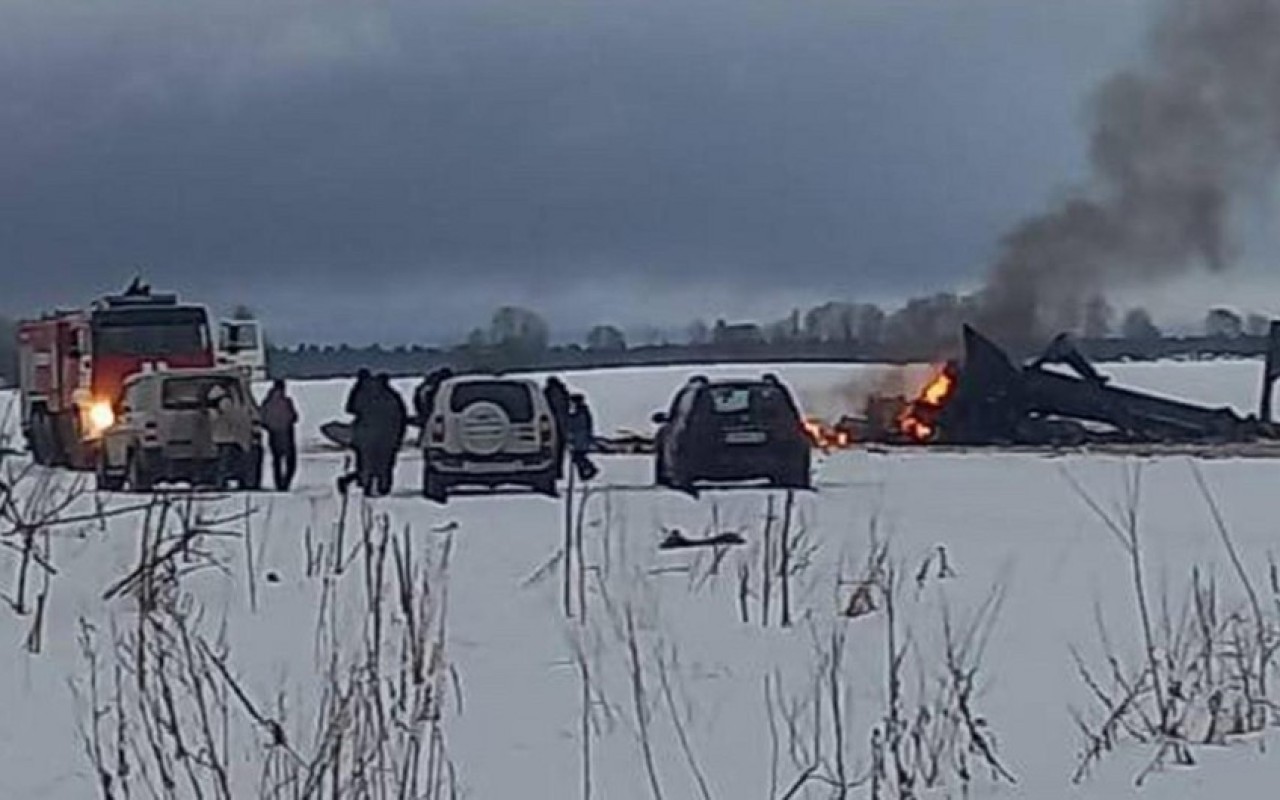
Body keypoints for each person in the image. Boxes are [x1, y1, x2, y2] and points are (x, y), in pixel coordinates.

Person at [363, 374, 408, 497]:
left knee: (372, 464)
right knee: (385, 465)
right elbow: (401, 418)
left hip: (375, 437)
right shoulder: (393, 397)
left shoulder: (370, 398)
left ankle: (371, 486)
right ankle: (383, 487)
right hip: (388, 438)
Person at [337, 368, 375, 495]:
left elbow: (349, 408)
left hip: (361, 427)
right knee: (370, 460)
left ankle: (357, 480)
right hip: (370, 427)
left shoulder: (356, 390)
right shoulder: (373, 391)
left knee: (363, 459)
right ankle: (361, 482)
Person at [260, 379, 299, 491]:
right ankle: (286, 483)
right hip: (287, 434)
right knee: (290, 461)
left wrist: (270, 427)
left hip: (273, 435)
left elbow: (263, 418)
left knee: (276, 460)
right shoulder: (287, 401)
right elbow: (294, 417)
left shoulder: (267, 402)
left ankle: (278, 483)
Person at [565, 393, 599, 481]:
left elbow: (576, 423)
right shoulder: (583, 411)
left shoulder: (581, 412)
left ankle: (589, 470)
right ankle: (583, 473)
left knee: (577, 456)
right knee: (577, 457)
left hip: (580, 439)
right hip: (580, 438)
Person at [544, 376, 571, 478]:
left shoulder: (550, 393)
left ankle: (555, 471)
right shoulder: (563, 393)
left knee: (554, 451)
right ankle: (558, 471)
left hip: (555, 425)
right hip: (562, 425)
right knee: (559, 451)